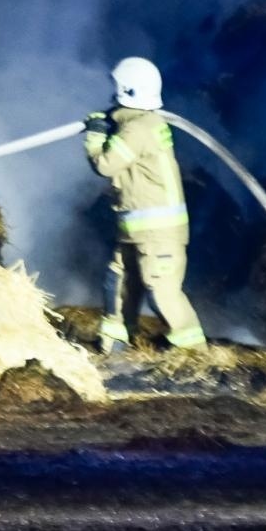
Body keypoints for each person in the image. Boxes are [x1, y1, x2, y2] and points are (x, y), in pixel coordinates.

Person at [85, 57, 205, 353]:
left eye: (116, 90)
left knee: (162, 289)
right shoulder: (142, 123)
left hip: (157, 231)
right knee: (120, 279)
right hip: (136, 227)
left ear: (126, 91)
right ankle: (114, 340)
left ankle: (193, 351)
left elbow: (106, 164)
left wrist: (95, 136)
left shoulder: (138, 129)